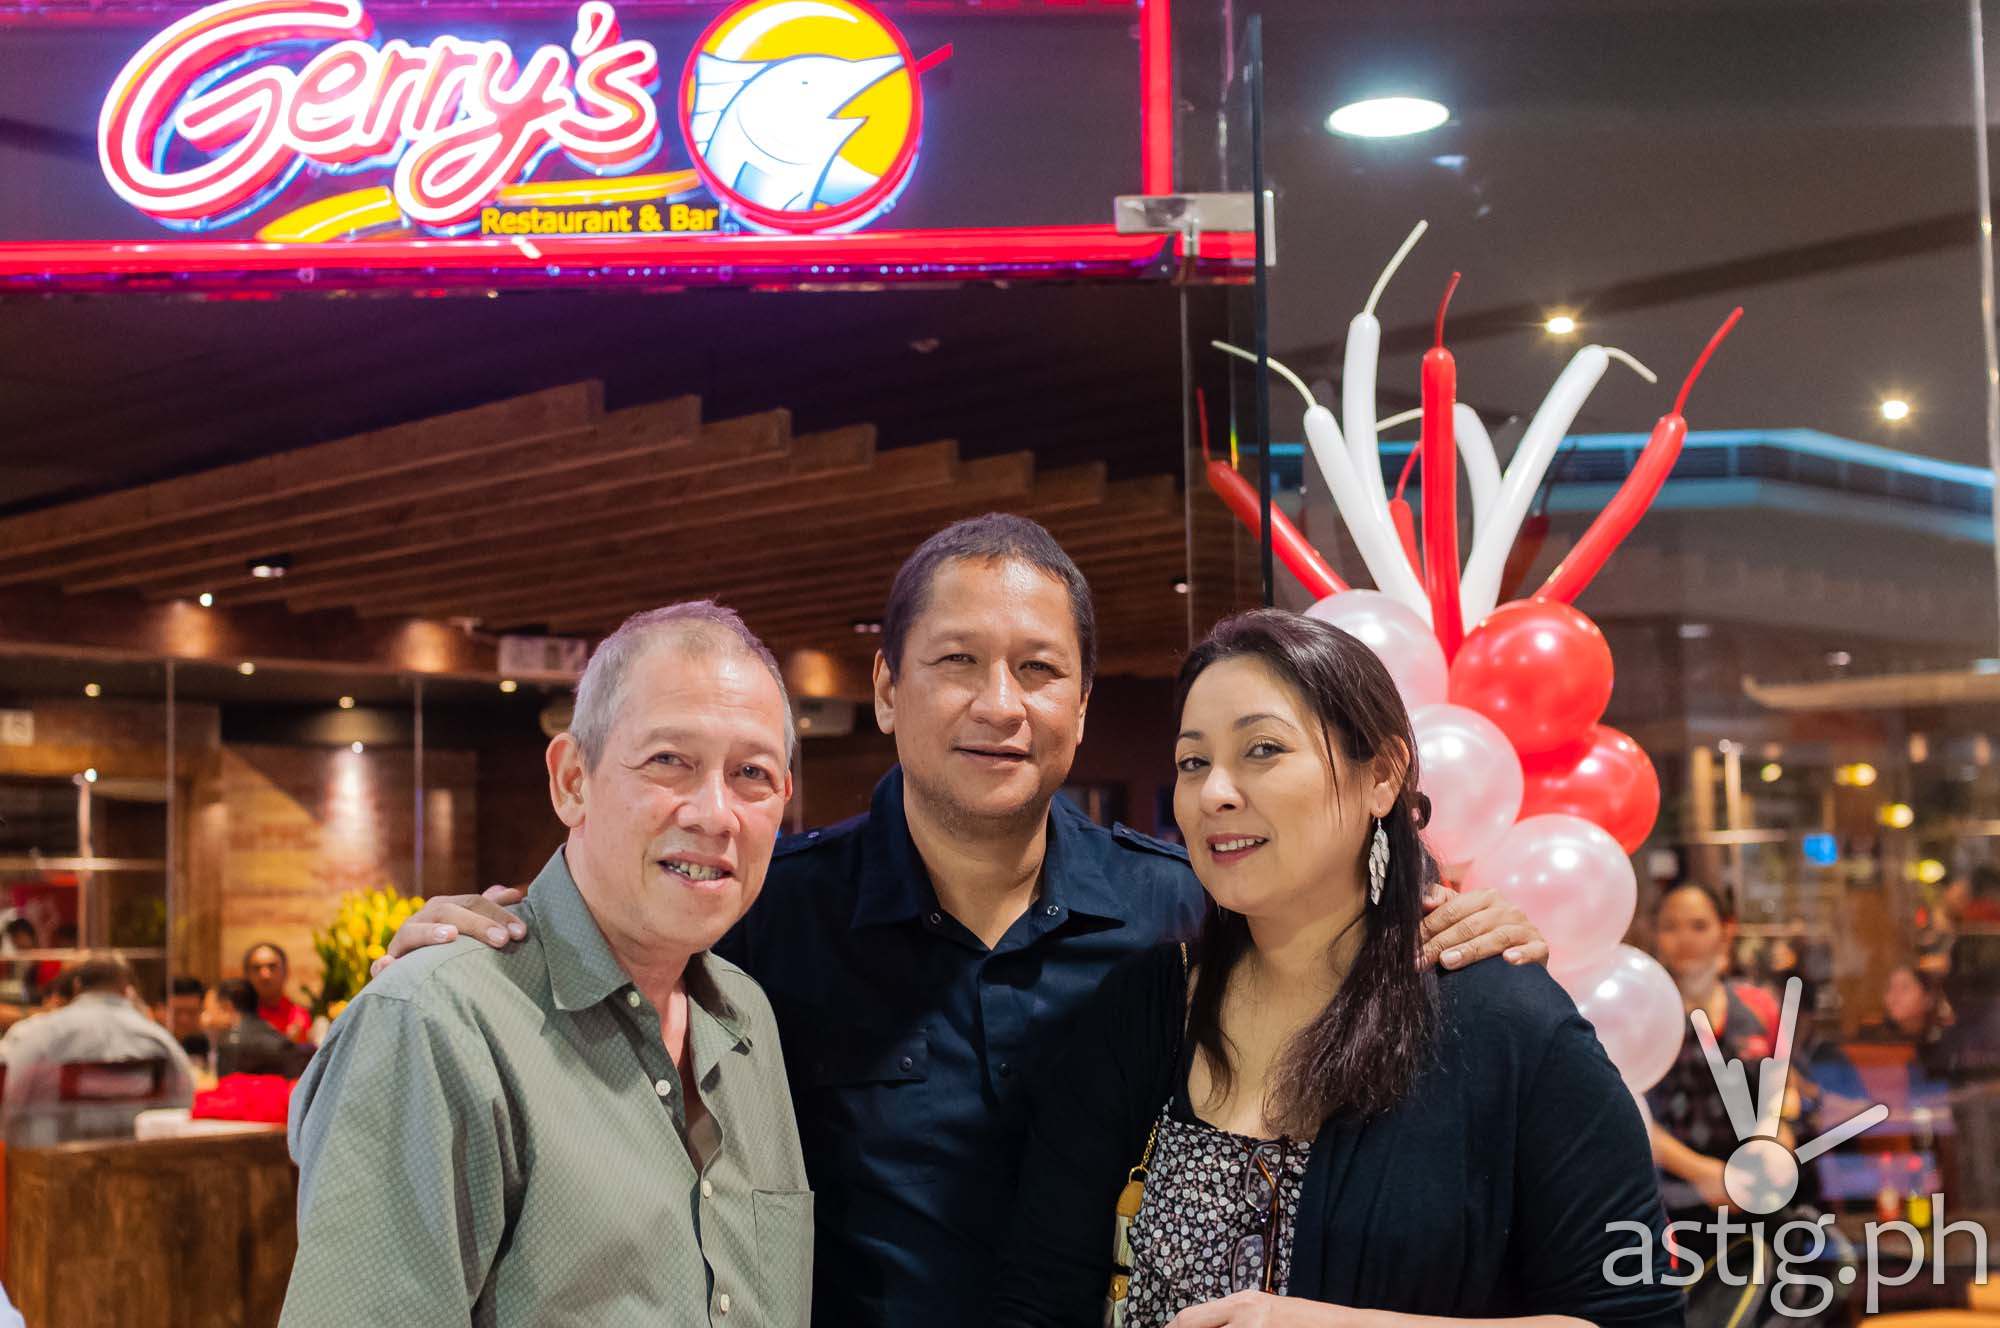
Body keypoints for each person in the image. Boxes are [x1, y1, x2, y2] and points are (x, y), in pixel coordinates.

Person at [378, 515, 1553, 1325]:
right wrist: (478, 944)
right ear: (886, 687)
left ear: (1083, 706)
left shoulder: (1187, 911)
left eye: (1039, 670)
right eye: (955, 661)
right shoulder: (758, 919)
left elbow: (1347, 931)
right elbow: (602, 933)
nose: (1000, 704)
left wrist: (1448, 924)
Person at [992, 610, 1676, 1327]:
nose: (1215, 792)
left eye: (1262, 749)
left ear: (1382, 776)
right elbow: (1041, 1293)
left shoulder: (1506, 1023)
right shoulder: (1145, 1008)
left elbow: (1635, 1317)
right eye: (1193, 762)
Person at [281, 603, 812, 1327]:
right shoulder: (438, 1022)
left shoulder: (747, 1019)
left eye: (751, 772)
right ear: (572, 781)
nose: (714, 814)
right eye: (668, 762)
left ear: (783, 801)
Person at [0, 953, 194, 1141]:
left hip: (54, 1165)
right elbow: (184, 1103)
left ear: (76, 986)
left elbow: (12, 1103)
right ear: (127, 990)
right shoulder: (160, 1040)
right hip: (137, 1165)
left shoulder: (40, 1037)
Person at [203, 978, 311, 1078]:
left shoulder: (230, 1044)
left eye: (208, 1010)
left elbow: (226, 1093)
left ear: (227, 1007)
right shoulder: (276, 1036)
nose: (205, 1017)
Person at [241, 942, 313, 1044]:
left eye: (272, 966)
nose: (265, 975)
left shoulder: (299, 1017)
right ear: (246, 975)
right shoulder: (238, 1017)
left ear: (286, 972)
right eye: (257, 968)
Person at [166, 975, 211, 1062]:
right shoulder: (156, 1046)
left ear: (201, 1010)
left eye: (192, 1012)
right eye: (177, 1012)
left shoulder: (206, 1043)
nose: (184, 1019)